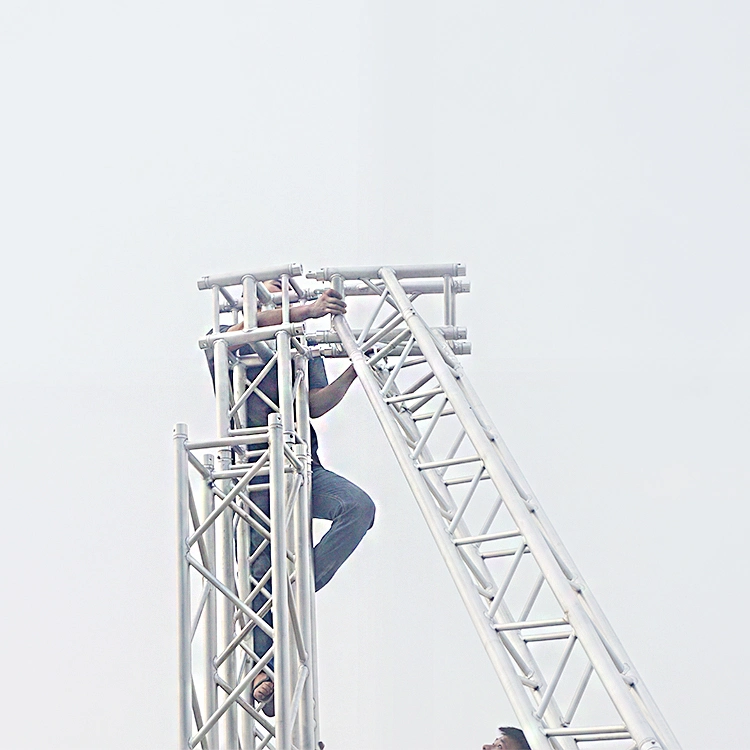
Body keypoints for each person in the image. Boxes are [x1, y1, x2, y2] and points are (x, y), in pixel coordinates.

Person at [205, 280, 376, 715]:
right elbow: (245, 326)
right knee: (261, 573)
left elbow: (315, 404)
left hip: (304, 467)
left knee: (358, 507)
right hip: (255, 474)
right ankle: (266, 670)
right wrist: (308, 309)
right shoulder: (237, 342)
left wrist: (353, 372)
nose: (282, 293)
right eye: (272, 288)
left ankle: (303, 583)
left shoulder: (302, 349)